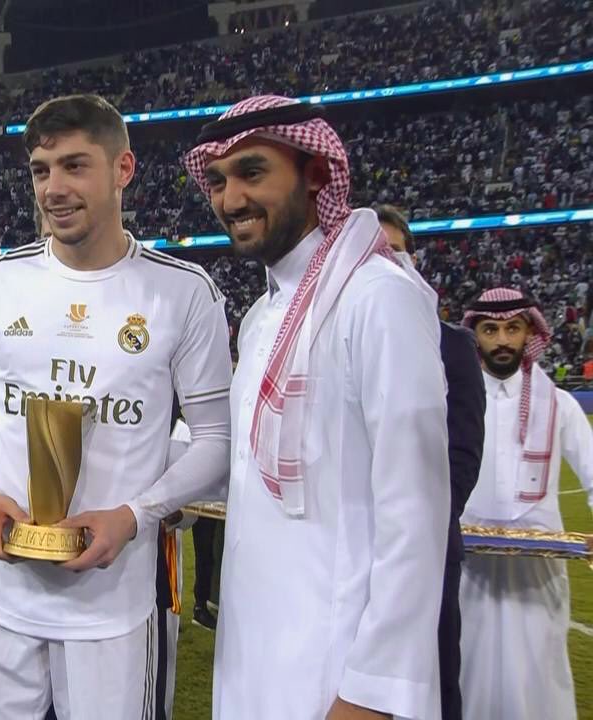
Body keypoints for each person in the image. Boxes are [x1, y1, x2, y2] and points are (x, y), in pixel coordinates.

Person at [0, 94, 233, 719]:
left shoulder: (184, 294)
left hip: (113, 606)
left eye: (74, 166)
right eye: (41, 170)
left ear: (123, 169)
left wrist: (134, 515)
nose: (53, 188)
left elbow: (217, 442)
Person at [184, 95, 450, 719]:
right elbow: (248, 468)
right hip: (257, 656)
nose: (230, 200)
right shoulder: (259, 319)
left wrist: (372, 690)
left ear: (316, 172)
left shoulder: (377, 300)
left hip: (339, 672)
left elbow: (416, 511)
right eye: (219, 182)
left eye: (252, 173)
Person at [458, 287, 593, 720]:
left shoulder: (559, 404)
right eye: (490, 329)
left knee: (539, 677)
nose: (502, 340)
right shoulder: (452, 402)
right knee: (467, 672)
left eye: (513, 329)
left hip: (539, 574)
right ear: (474, 334)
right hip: (467, 571)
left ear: (529, 332)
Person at [377, 204, 486, 720]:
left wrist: (419, 527)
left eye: (394, 251)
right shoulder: (341, 340)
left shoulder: (454, 346)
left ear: (414, 259)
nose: (385, 261)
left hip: (429, 550)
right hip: (361, 551)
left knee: (435, 685)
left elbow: (463, 455)